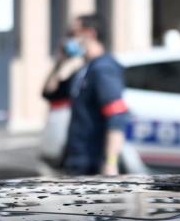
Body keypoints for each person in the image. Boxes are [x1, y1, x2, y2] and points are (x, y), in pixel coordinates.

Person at [43, 14, 129, 176]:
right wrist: (61, 61)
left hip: (93, 163)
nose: (68, 39)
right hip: (76, 159)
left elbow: (116, 117)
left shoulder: (103, 69)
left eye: (72, 34)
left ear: (90, 33)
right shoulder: (84, 69)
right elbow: (50, 93)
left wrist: (110, 163)